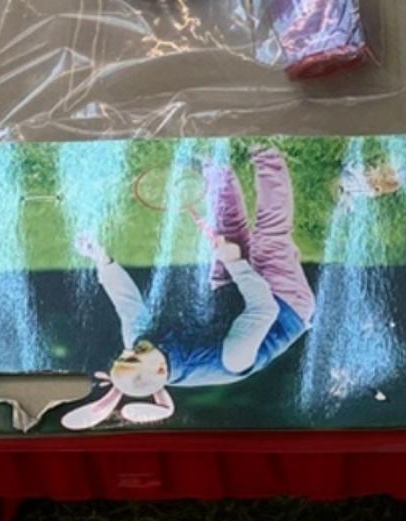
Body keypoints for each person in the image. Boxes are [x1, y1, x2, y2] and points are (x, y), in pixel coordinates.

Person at [62, 147, 317, 428]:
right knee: (269, 237)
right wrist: (234, 262)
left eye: (122, 357)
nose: (129, 350)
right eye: (134, 358)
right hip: (284, 306)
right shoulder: (230, 360)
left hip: (228, 302)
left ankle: (215, 162)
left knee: (227, 230)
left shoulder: (139, 343)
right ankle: (266, 150)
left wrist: (101, 259)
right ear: (161, 369)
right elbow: (263, 308)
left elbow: (126, 302)